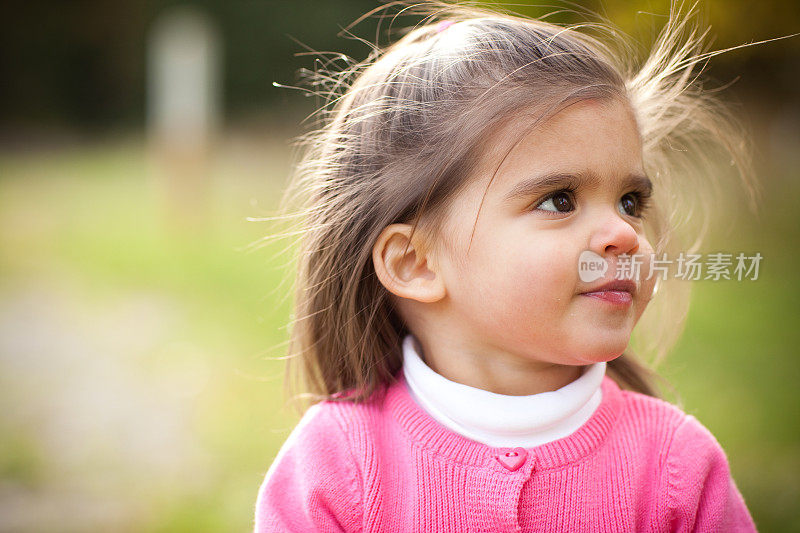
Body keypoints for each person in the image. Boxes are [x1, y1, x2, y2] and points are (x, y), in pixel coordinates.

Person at [254, 0, 767, 530]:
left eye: (630, 202)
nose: (624, 234)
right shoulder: (336, 465)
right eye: (559, 200)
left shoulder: (676, 465)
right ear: (415, 263)